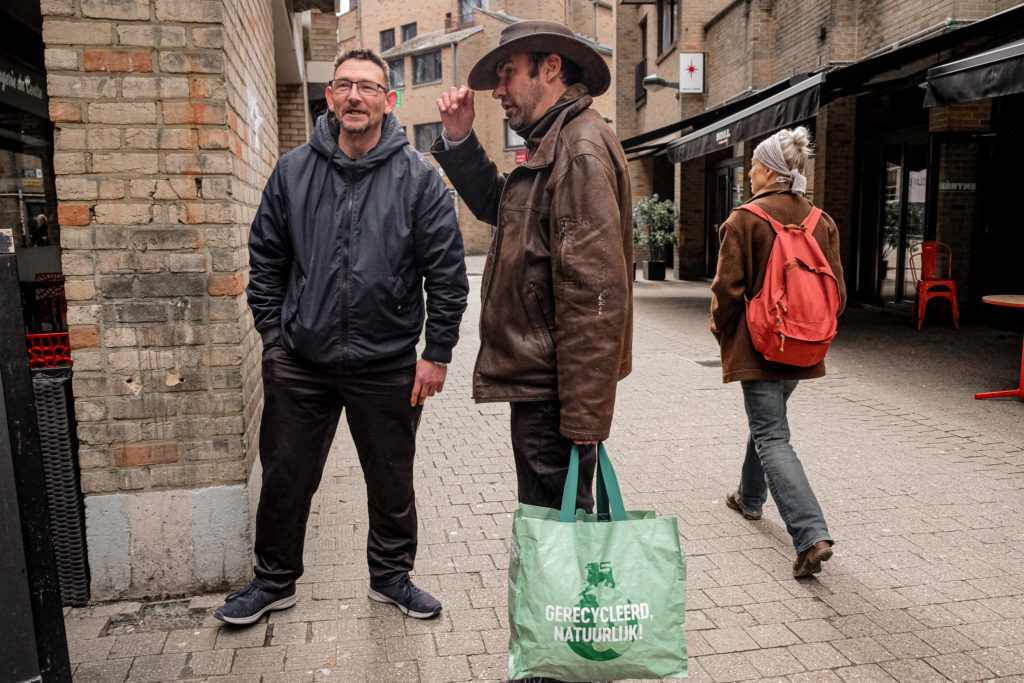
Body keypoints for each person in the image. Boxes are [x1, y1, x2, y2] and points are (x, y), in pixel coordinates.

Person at [214, 48, 469, 625]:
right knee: (285, 477)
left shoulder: (420, 179)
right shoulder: (292, 171)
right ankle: (274, 581)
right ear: (329, 97)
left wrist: (436, 353)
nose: (356, 96)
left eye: (369, 87)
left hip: (388, 364)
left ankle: (391, 577)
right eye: (345, 86)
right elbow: (267, 263)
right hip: (302, 361)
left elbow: (447, 276)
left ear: (388, 100)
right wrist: (275, 342)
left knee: (391, 478)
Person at [432, 20, 632, 515]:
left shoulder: (578, 147)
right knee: (561, 528)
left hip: (555, 395)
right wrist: (460, 143)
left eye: (507, 73)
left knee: (558, 536)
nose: (497, 90)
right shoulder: (556, 141)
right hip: (548, 387)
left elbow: (594, 294)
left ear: (551, 68)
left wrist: (583, 421)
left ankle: (567, 597)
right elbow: (506, 207)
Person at [710, 126, 846, 578]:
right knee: (768, 424)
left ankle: (810, 535)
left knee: (772, 435)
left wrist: (723, 333)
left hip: (761, 344)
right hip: (805, 344)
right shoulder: (820, 221)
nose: (748, 172)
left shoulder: (745, 219)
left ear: (769, 171)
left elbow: (726, 293)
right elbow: (839, 295)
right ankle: (749, 499)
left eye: (752, 164)